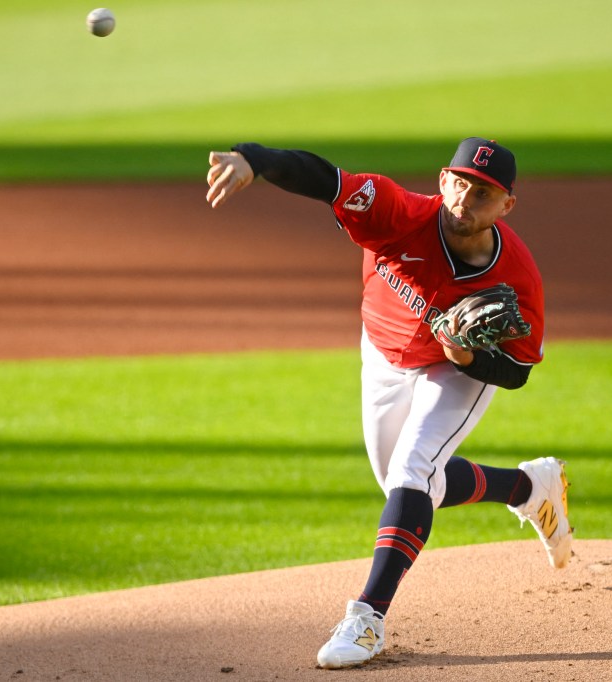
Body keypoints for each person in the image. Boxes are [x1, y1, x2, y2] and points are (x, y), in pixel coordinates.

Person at [206, 138, 572, 669]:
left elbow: (516, 370)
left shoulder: (517, 275)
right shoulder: (395, 211)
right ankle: (529, 486)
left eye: (485, 192)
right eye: (461, 182)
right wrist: (254, 160)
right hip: (380, 353)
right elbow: (322, 177)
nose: (467, 198)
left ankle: (367, 619)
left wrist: (467, 359)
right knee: (411, 486)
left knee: (413, 469)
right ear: (444, 179)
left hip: (454, 371)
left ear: (506, 205)